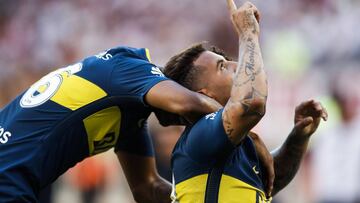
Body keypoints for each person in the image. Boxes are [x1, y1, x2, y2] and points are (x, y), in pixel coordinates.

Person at [0, 44, 224, 202]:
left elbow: (147, 188)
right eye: (224, 67)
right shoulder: (129, 66)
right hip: (8, 179)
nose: (233, 69)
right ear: (203, 93)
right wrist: (239, 123)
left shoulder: (130, 114)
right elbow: (188, 103)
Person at [164, 1, 328, 202]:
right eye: (222, 66)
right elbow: (253, 103)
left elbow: (273, 180)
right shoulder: (198, 136)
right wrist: (247, 33)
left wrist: (299, 136)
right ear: (204, 94)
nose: (235, 64)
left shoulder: (231, 143)